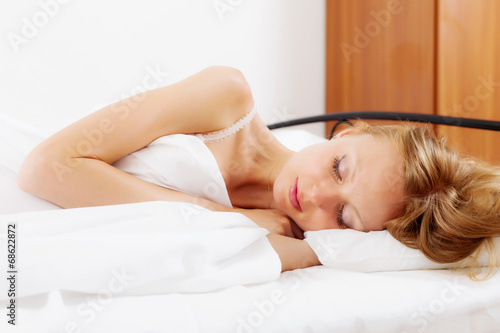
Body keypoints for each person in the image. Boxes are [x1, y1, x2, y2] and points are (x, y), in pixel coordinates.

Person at [17, 66, 500, 277]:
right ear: (347, 134)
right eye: (338, 168)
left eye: (345, 216)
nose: (313, 196)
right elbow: (45, 168)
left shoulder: (294, 241)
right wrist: (216, 214)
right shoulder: (225, 97)